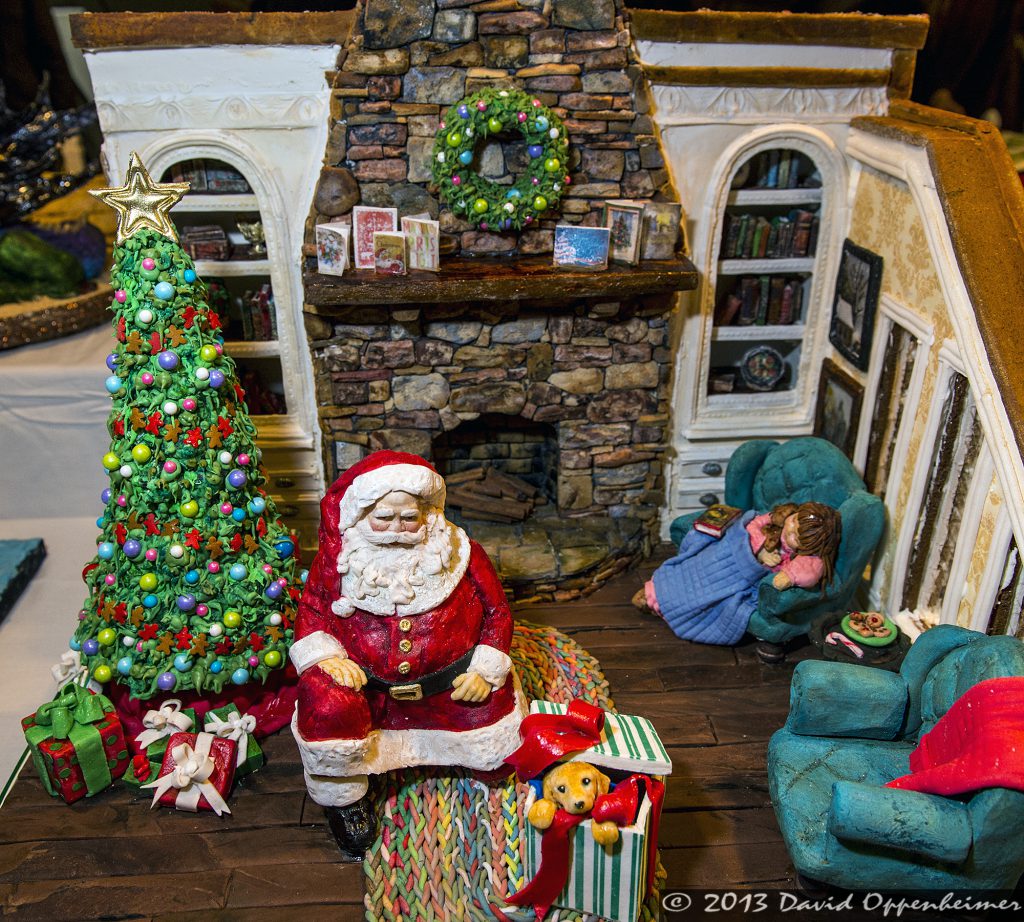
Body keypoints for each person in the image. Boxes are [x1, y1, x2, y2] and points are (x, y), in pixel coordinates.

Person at [291, 451, 526, 859]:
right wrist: (326, 657)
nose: (396, 529)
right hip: (370, 693)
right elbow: (312, 612)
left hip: (447, 689)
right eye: (383, 517)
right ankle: (344, 797)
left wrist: (485, 668)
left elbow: (497, 611)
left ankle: (474, 753)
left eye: (408, 518)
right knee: (324, 703)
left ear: (428, 514)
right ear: (363, 513)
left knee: (496, 734)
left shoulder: (461, 551)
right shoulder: (339, 560)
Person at [634, 502, 841, 647]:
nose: (791, 530)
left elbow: (812, 570)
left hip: (743, 573)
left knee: (712, 592)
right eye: (794, 521)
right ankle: (658, 589)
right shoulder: (777, 518)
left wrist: (787, 575)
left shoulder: (803, 556)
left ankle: (664, 603)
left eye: (798, 536)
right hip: (731, 551)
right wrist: (761, 550)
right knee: (697, 567)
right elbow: (751, 524)